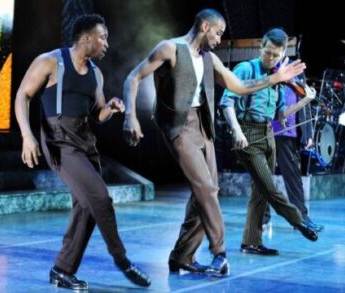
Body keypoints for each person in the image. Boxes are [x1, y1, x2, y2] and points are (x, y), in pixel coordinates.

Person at [122, 9, 306, 274]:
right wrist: (130, 116)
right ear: (205, 26)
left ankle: (182, 256)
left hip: (203, 126)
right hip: (177, 127)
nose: (220, 39)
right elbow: (133, 77)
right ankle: (220, 253)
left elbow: (239, 87)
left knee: (208, 192)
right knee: (205, 189)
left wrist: (274, 79)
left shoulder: (210, 59)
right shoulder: (170, 48)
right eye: (218, 33)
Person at [14, 14, 151, 290]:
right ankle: (122, 260)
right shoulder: (50, 61)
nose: (106, 43)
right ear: (86, 38)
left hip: (85, 141)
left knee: (87, 206)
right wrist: (28, 136)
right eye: (103, 37)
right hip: (58, 140)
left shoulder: (96, 74)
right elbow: (22, 96)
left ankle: (62, 270)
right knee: (100, 197)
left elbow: (97, 114)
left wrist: (110, 108)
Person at [220, 28, 318, 257]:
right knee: (271, 188)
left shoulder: (279, 77)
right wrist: (236, 131)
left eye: (275, 55)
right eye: (267, 52)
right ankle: (300, 222)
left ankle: (251, 242)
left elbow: (280, 116)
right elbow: (227, 102)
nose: (270, 58)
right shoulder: (246, 69)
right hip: (247, 134)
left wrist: (305, 101)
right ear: (261, 47)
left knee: (260, 192)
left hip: (268, 134)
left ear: (283, 54)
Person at [262, 77, 324, 233]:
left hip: (289, 132)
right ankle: (262, 218)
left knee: (294, 177)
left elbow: (305, 102)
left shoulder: (297, 71)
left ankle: (300, 219)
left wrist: (308, 132)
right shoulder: (269, 69)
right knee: (262, 176)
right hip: (267, 129)